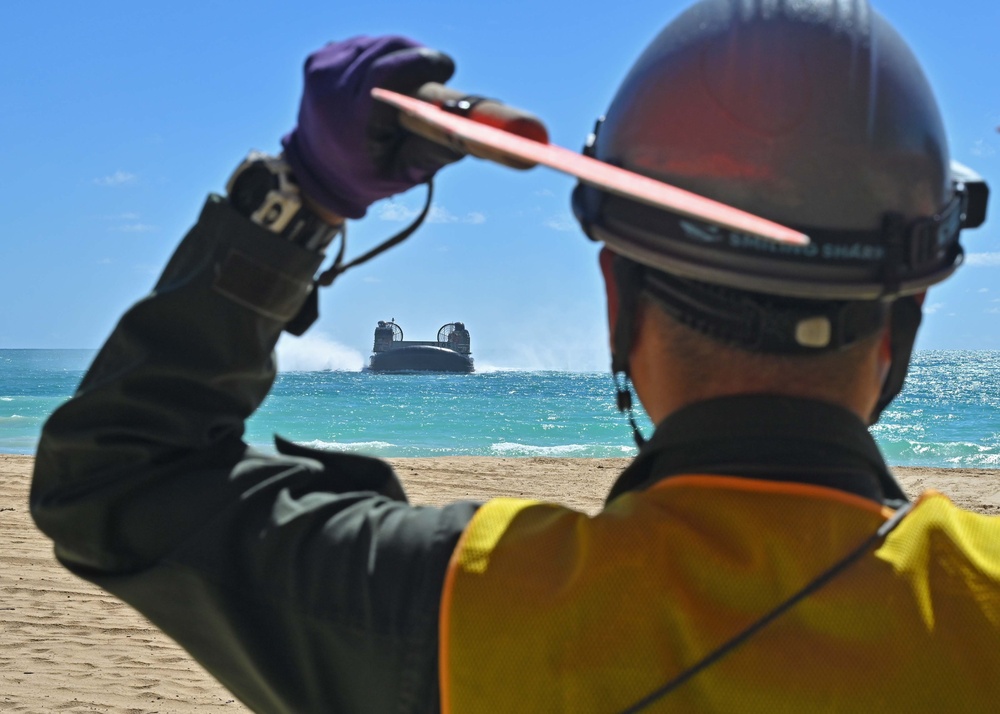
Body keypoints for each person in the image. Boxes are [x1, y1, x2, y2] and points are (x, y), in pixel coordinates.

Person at [30, 1, 999, 712]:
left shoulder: (455, 598)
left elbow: (115, 480)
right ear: (904, 313)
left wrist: (298, 198)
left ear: (616, 292)